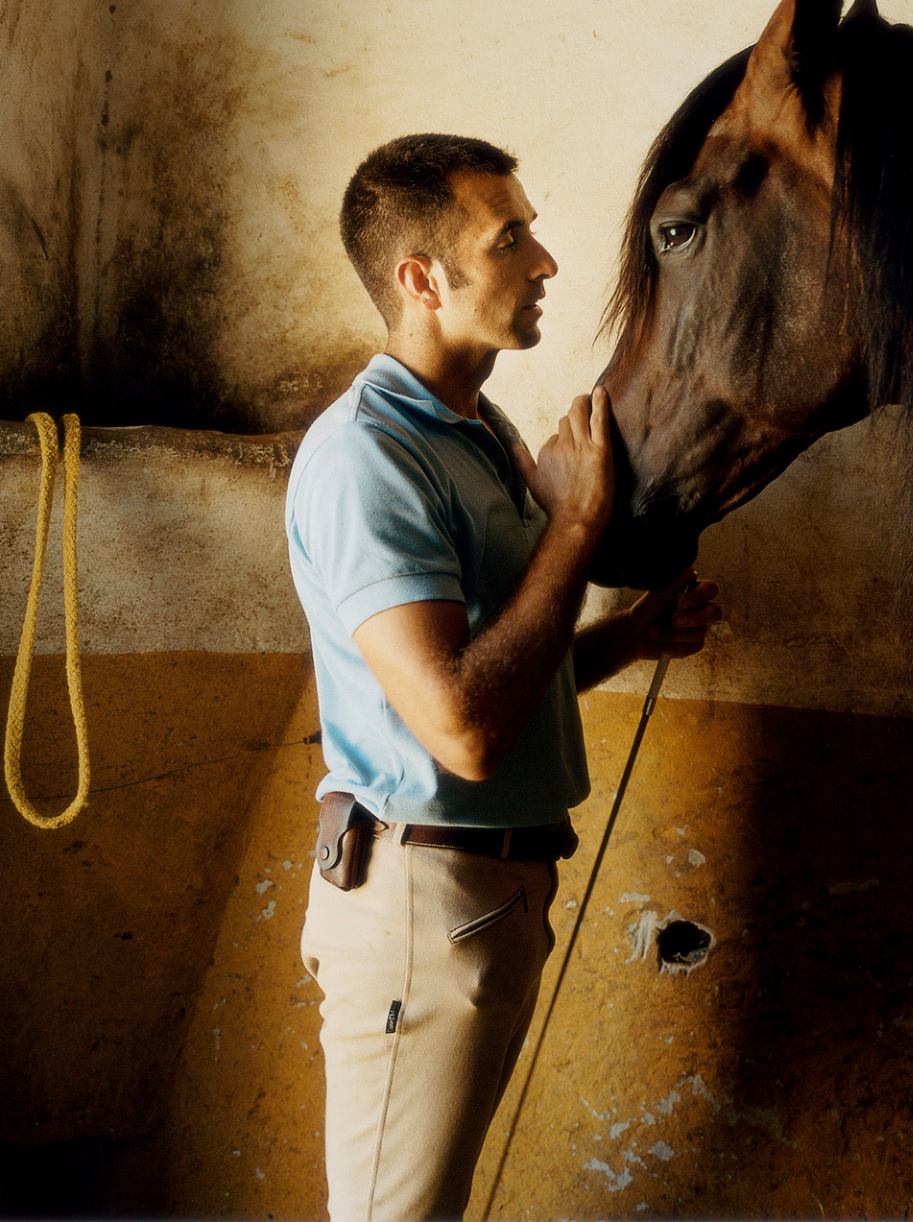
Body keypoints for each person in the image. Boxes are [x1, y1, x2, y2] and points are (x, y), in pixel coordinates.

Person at [286, 133, 720, 1222]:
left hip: (487, 895)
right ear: (421, 279)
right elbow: (464, 730)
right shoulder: (368, 457)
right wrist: (572, 532)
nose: (544, 263)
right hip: (421, 903)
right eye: (509, 238)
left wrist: (632, 637)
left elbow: (503, 674)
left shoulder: (479, 432)